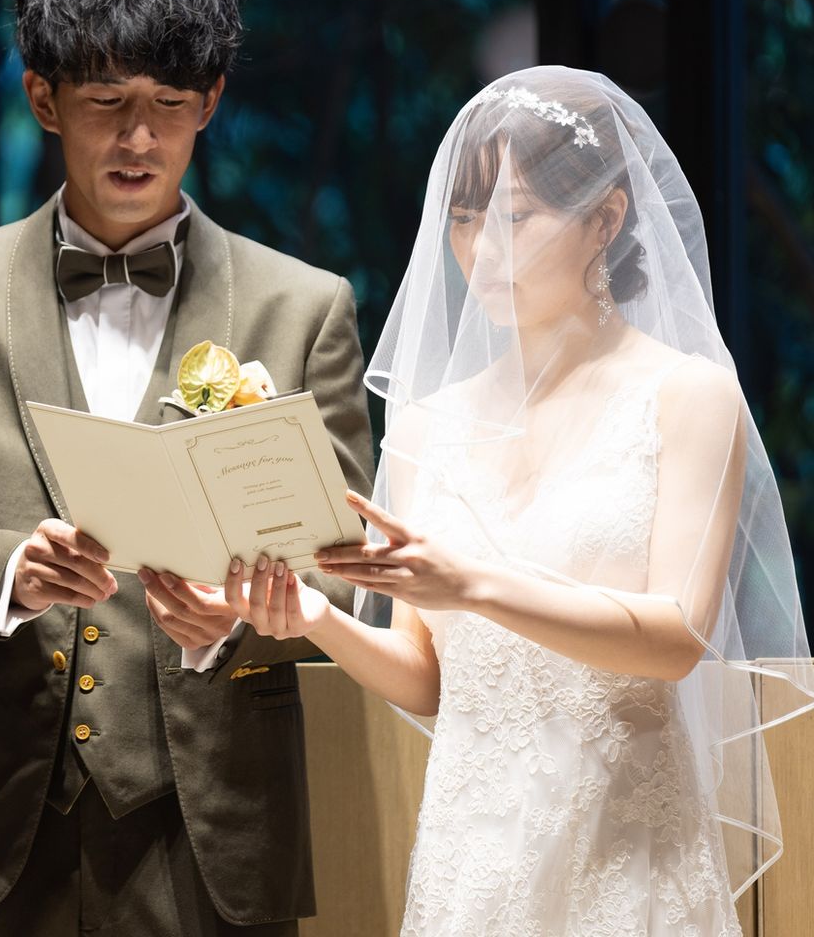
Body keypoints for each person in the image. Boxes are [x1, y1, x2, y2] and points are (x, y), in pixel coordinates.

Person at [0, 0, 373, 937]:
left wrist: (240, 624)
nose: (138, 139)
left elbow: (346, 571)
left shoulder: (303, 308)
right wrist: (5, 574)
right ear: (43, 99)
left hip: (212, 833)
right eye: (106, 102)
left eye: (169, 104)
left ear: (210, 103)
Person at [224, 65, 814, 935]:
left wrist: (471, 585)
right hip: (472, 861)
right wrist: (314, 617)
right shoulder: (427, 425)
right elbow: (427, 677)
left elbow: (678, 638)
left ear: (606, 220)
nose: (482, 251)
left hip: (627, 855)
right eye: (464, 218)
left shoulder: (686, 396)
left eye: (516, 216)